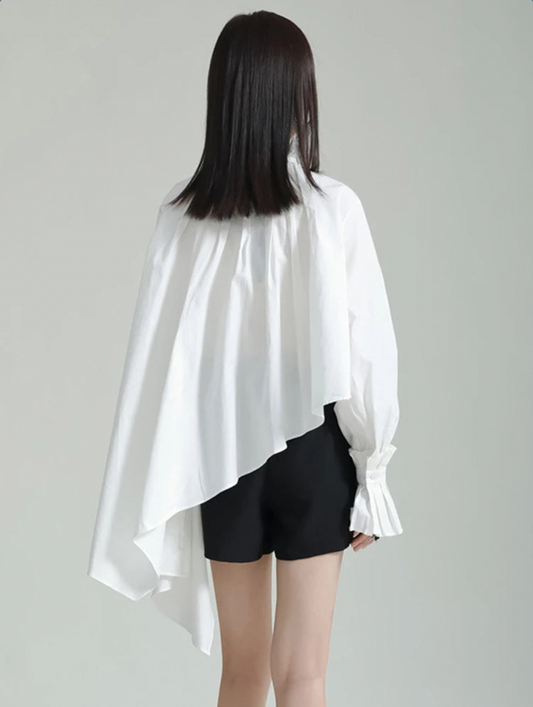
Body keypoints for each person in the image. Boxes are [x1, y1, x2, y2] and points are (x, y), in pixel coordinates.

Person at [87, 9, 403, 707]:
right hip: (313, 451)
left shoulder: (182, 217)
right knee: (303, 676)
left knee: (239, 674)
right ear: (295, 95)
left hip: (219, 456)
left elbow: (159, 363)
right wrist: (372, 468)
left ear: (224, 96)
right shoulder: (332, 208)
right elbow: (366, 352)